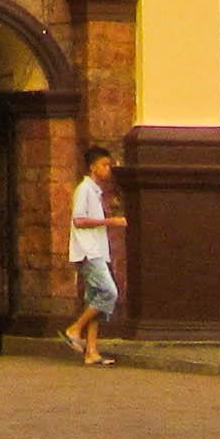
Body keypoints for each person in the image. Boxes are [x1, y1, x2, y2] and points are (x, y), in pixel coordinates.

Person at [67, 149, 123, 364]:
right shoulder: (84, 190)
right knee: (109, 293)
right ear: (93, 167)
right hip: (89, 252)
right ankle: (75, 328)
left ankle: (91, 351)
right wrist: (111, 222)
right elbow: (79, 220)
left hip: (97, 250)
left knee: (94, 299)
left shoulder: (95, 191)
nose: (107, 169)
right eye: (104, 165)